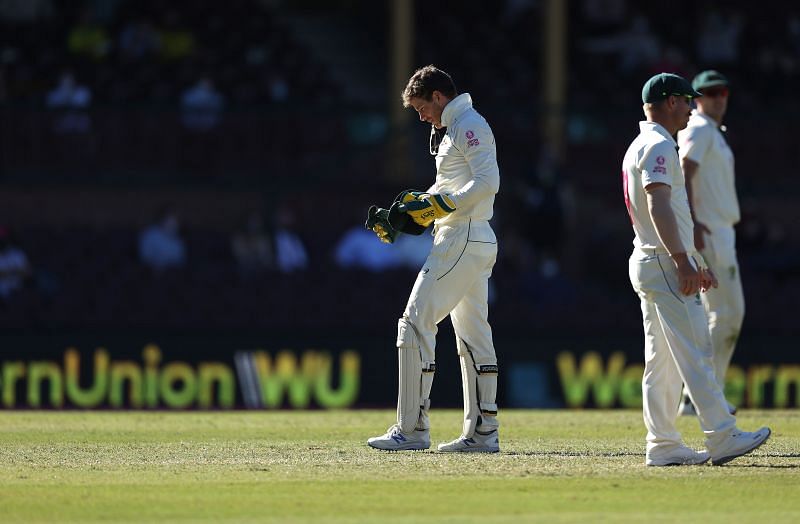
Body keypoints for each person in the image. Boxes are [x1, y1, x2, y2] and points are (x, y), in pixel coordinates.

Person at [622, 72, 770, 466]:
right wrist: (683, 260)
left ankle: (664, 445)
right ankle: (722, 435)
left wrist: (693, 258)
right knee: (696, 351)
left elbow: (669, 210)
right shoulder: (658, 144)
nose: (691, 108)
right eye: (687, 101)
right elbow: (659, 204)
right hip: (664, 261)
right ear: (670, 102)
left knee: (662, 364)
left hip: (651, 258)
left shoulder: (642, 142)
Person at [367, 65, 501, 453]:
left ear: (438, 96)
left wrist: (441, 205)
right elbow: (449, 187)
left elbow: (488, 182)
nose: (421, 115)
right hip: (466, 236)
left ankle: (411, 429)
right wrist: (412, 210)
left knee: (413, 323)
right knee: (474, 337)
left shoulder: (469, 124)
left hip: (463, 236)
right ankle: (483, 434)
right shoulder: (452, 128)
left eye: (422, 108)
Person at [676, 70, 742, 416]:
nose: (719, 98)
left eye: (723, 91)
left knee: (726, 316)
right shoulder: (699, 128)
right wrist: (695, 223)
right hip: (711, 232)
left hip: (719, 231)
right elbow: (684, 171)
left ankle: (700, 395)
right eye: (711, 92)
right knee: (726, 315)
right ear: (697, 98)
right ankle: (702, 397)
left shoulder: (711, 131)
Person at [138, 207, 186, 273]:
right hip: (149, 272)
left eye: (175, 221)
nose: (173, 224)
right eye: (170, 220)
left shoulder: (178, 241)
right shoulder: (150, 234)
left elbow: (180, 260)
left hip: (172, 273)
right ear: (163, 220)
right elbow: (144, 255)